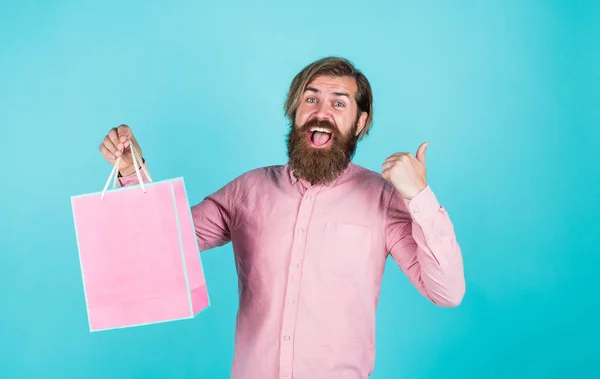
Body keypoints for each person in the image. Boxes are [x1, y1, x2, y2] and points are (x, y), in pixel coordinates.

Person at [99, 56, 465, 379]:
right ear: (295, 111)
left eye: (339, 103)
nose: (321, 112)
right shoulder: (248, 191)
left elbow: (446, 292)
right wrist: (133, 171)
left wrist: (419, 196)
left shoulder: (383, 199)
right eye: (311, 99)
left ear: (359, 122)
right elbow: (162, 246)